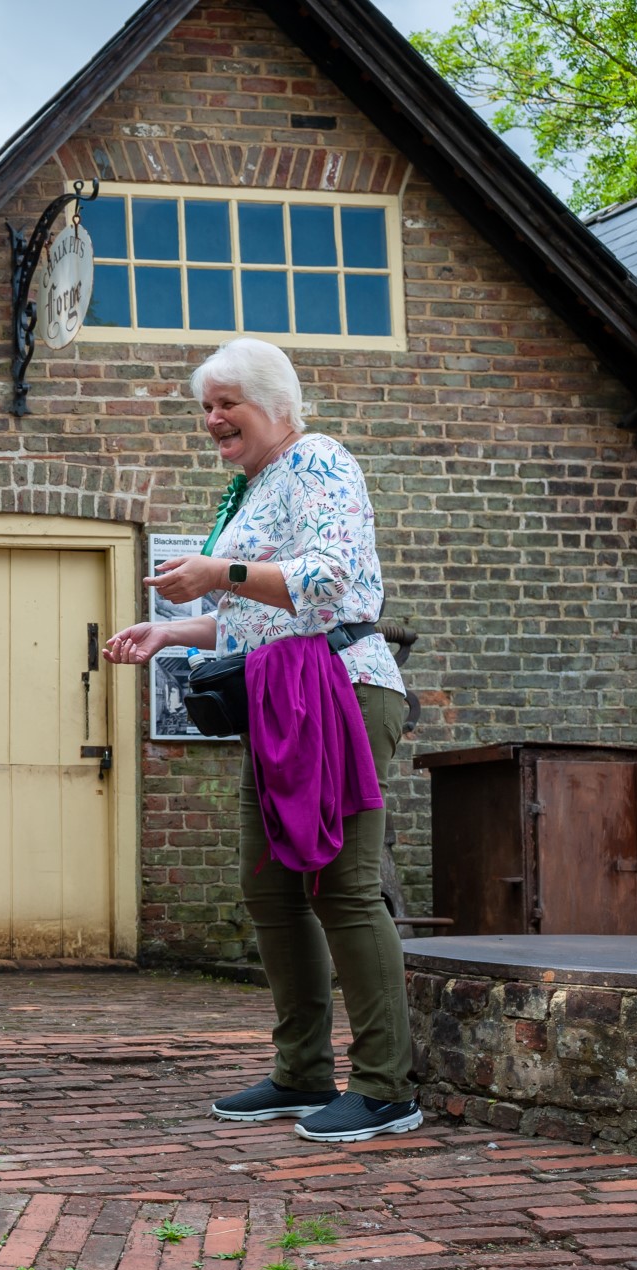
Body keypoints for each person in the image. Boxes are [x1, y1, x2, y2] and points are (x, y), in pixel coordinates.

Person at [103, 337, 418, 1144]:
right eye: (204, 407)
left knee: (341, 886)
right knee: (270, 888)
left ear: (274, 401)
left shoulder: (316, 460)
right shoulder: (254, 484)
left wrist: (214, 574)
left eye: (224, 403)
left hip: (341, 689)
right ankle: (301, 1072)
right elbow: (257, 611)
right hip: (283, 696)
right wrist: (172, 632)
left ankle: (385, 1086)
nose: (211, 419)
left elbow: (327, 582)